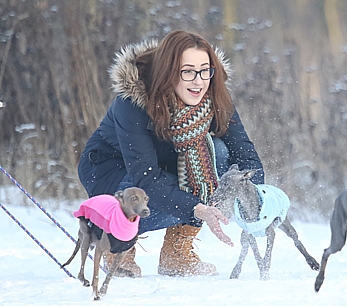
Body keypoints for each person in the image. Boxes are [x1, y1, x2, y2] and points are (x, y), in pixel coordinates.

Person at [78, 30, 265, 277]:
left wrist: (259, 194)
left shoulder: (214, 97)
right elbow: (145, 177)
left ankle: (177, 253)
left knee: (218, 153)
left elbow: (244, 155)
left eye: (204, 70)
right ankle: (117, 242)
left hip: (164, 170)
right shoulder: (133, 102)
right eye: (187, 71)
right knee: (140, 192)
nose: (198, 81)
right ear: (169, 71)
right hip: (114, 174)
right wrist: (198, 207)